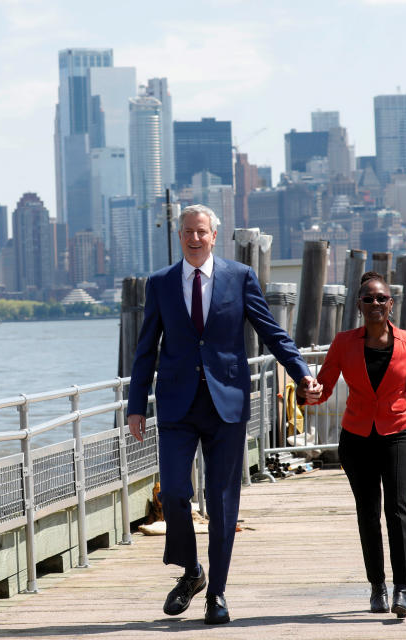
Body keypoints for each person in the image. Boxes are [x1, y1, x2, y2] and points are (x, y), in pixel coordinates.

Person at [127, 204, 322, 625]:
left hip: (226, 403)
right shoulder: (160, 284)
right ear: (179, 236)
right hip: (178, 405)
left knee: (221, 502)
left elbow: (270, 330)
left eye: (201, 232)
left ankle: (217, 592)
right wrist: (136, 405)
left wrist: (302, 372)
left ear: (215, 236)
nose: (194, 239)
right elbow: (146, 348)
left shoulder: (239, 277)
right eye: (186, 232)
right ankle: (192, 572)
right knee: (175, 493)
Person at [305, 271, 406, 618]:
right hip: (356, 438)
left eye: (381, 298)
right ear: (358, 305)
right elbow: (322, 387)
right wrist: (305, 395)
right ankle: (377, 587)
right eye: (368, 299)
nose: (375, 304)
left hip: (399, 433)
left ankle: (402, 588)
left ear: (391, 303)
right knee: (368, 513)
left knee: (397, 509)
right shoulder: (343, 343)